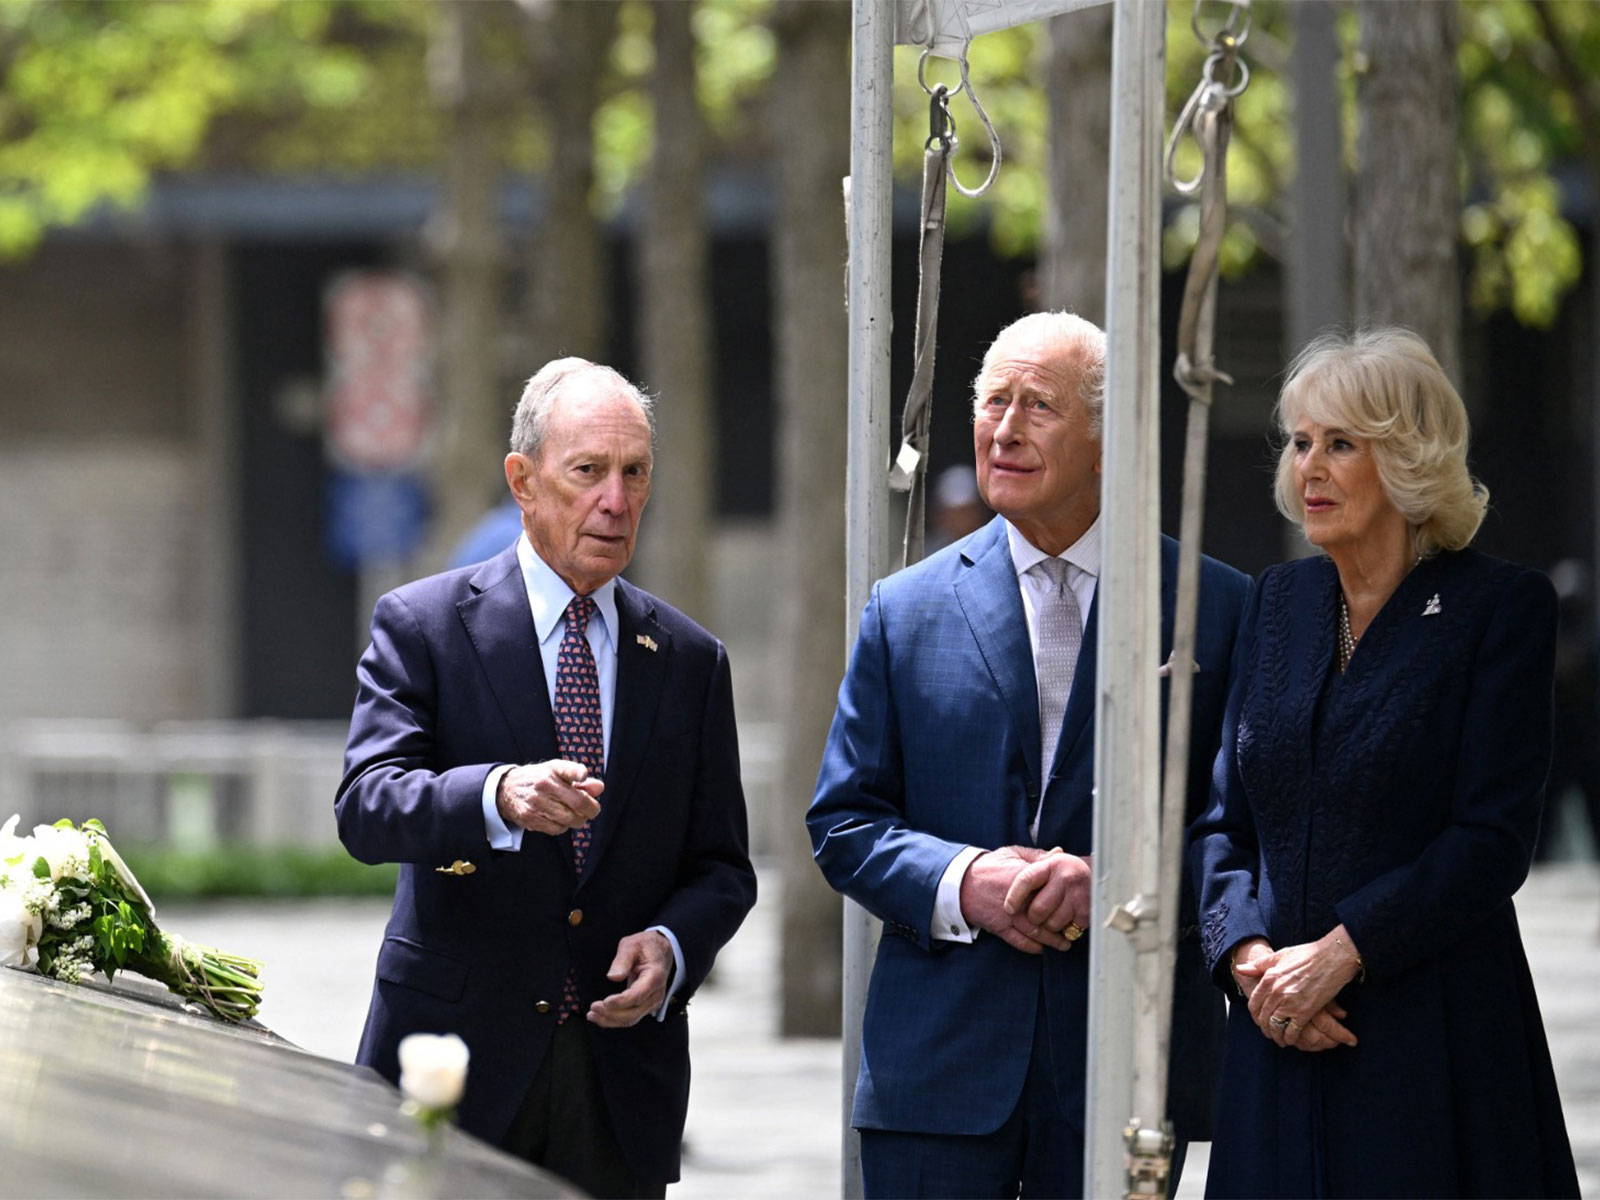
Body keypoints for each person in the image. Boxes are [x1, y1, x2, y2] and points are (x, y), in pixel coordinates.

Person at [807, 311, 1250, 1198]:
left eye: (1036, 405)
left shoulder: (1214, 609)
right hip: (936, 1074)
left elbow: (1234, 824)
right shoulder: (905, 610)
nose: (1002, 429)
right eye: (991, 401)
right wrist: (963, 880)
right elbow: (843, 822)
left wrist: (1115, 880)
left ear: (1106, 439)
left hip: (1124, 1065)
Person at [335, 358, 757, 1198]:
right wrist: (495, 796)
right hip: (452, 1072)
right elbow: (366, 806)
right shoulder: (423, 626)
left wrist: (671, 949)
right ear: (523, 482)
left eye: (635, 473)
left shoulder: (688, 661)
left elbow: (722, 868)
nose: (616, 499)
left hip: (616, 1087)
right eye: (588, 472)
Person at [1190, 327, 1580, 1197]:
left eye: (1340, 444)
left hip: (1427, 1039)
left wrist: (1344, 951)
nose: (1309, 468)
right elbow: (1224, 822)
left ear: (1408, 460)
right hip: (1276, 1031)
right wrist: (1248, 956)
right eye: (1299, 444)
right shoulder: (1278, 600)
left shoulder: (1500, 610)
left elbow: (1491, 838)